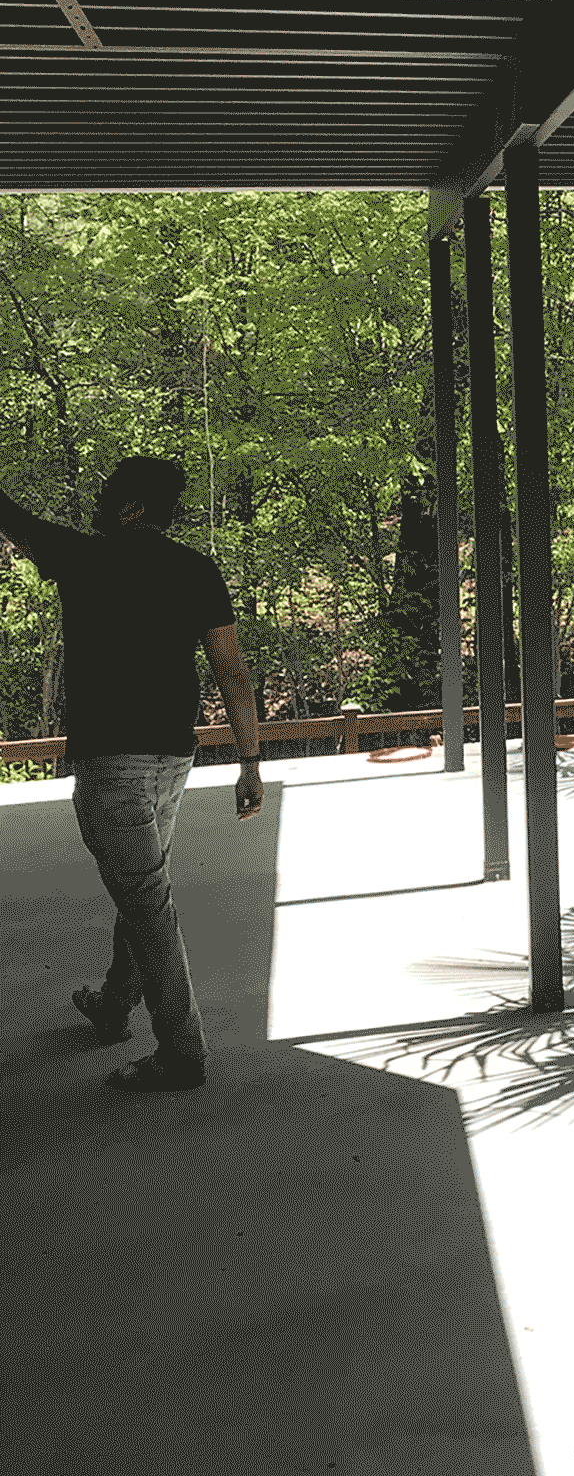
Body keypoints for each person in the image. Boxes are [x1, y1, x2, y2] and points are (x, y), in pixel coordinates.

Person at [0, 455, 263, 1093]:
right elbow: (232, 670)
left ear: (132, 505)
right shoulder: (196, 570)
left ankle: (182, 1054)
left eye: (108, 494)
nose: (98, 503)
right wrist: (249, 762)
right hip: (175, 759)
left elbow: (9, 517)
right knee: (144, 889)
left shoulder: (81, 557)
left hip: (111, 764)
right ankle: (117, 1000)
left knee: (148, 906)